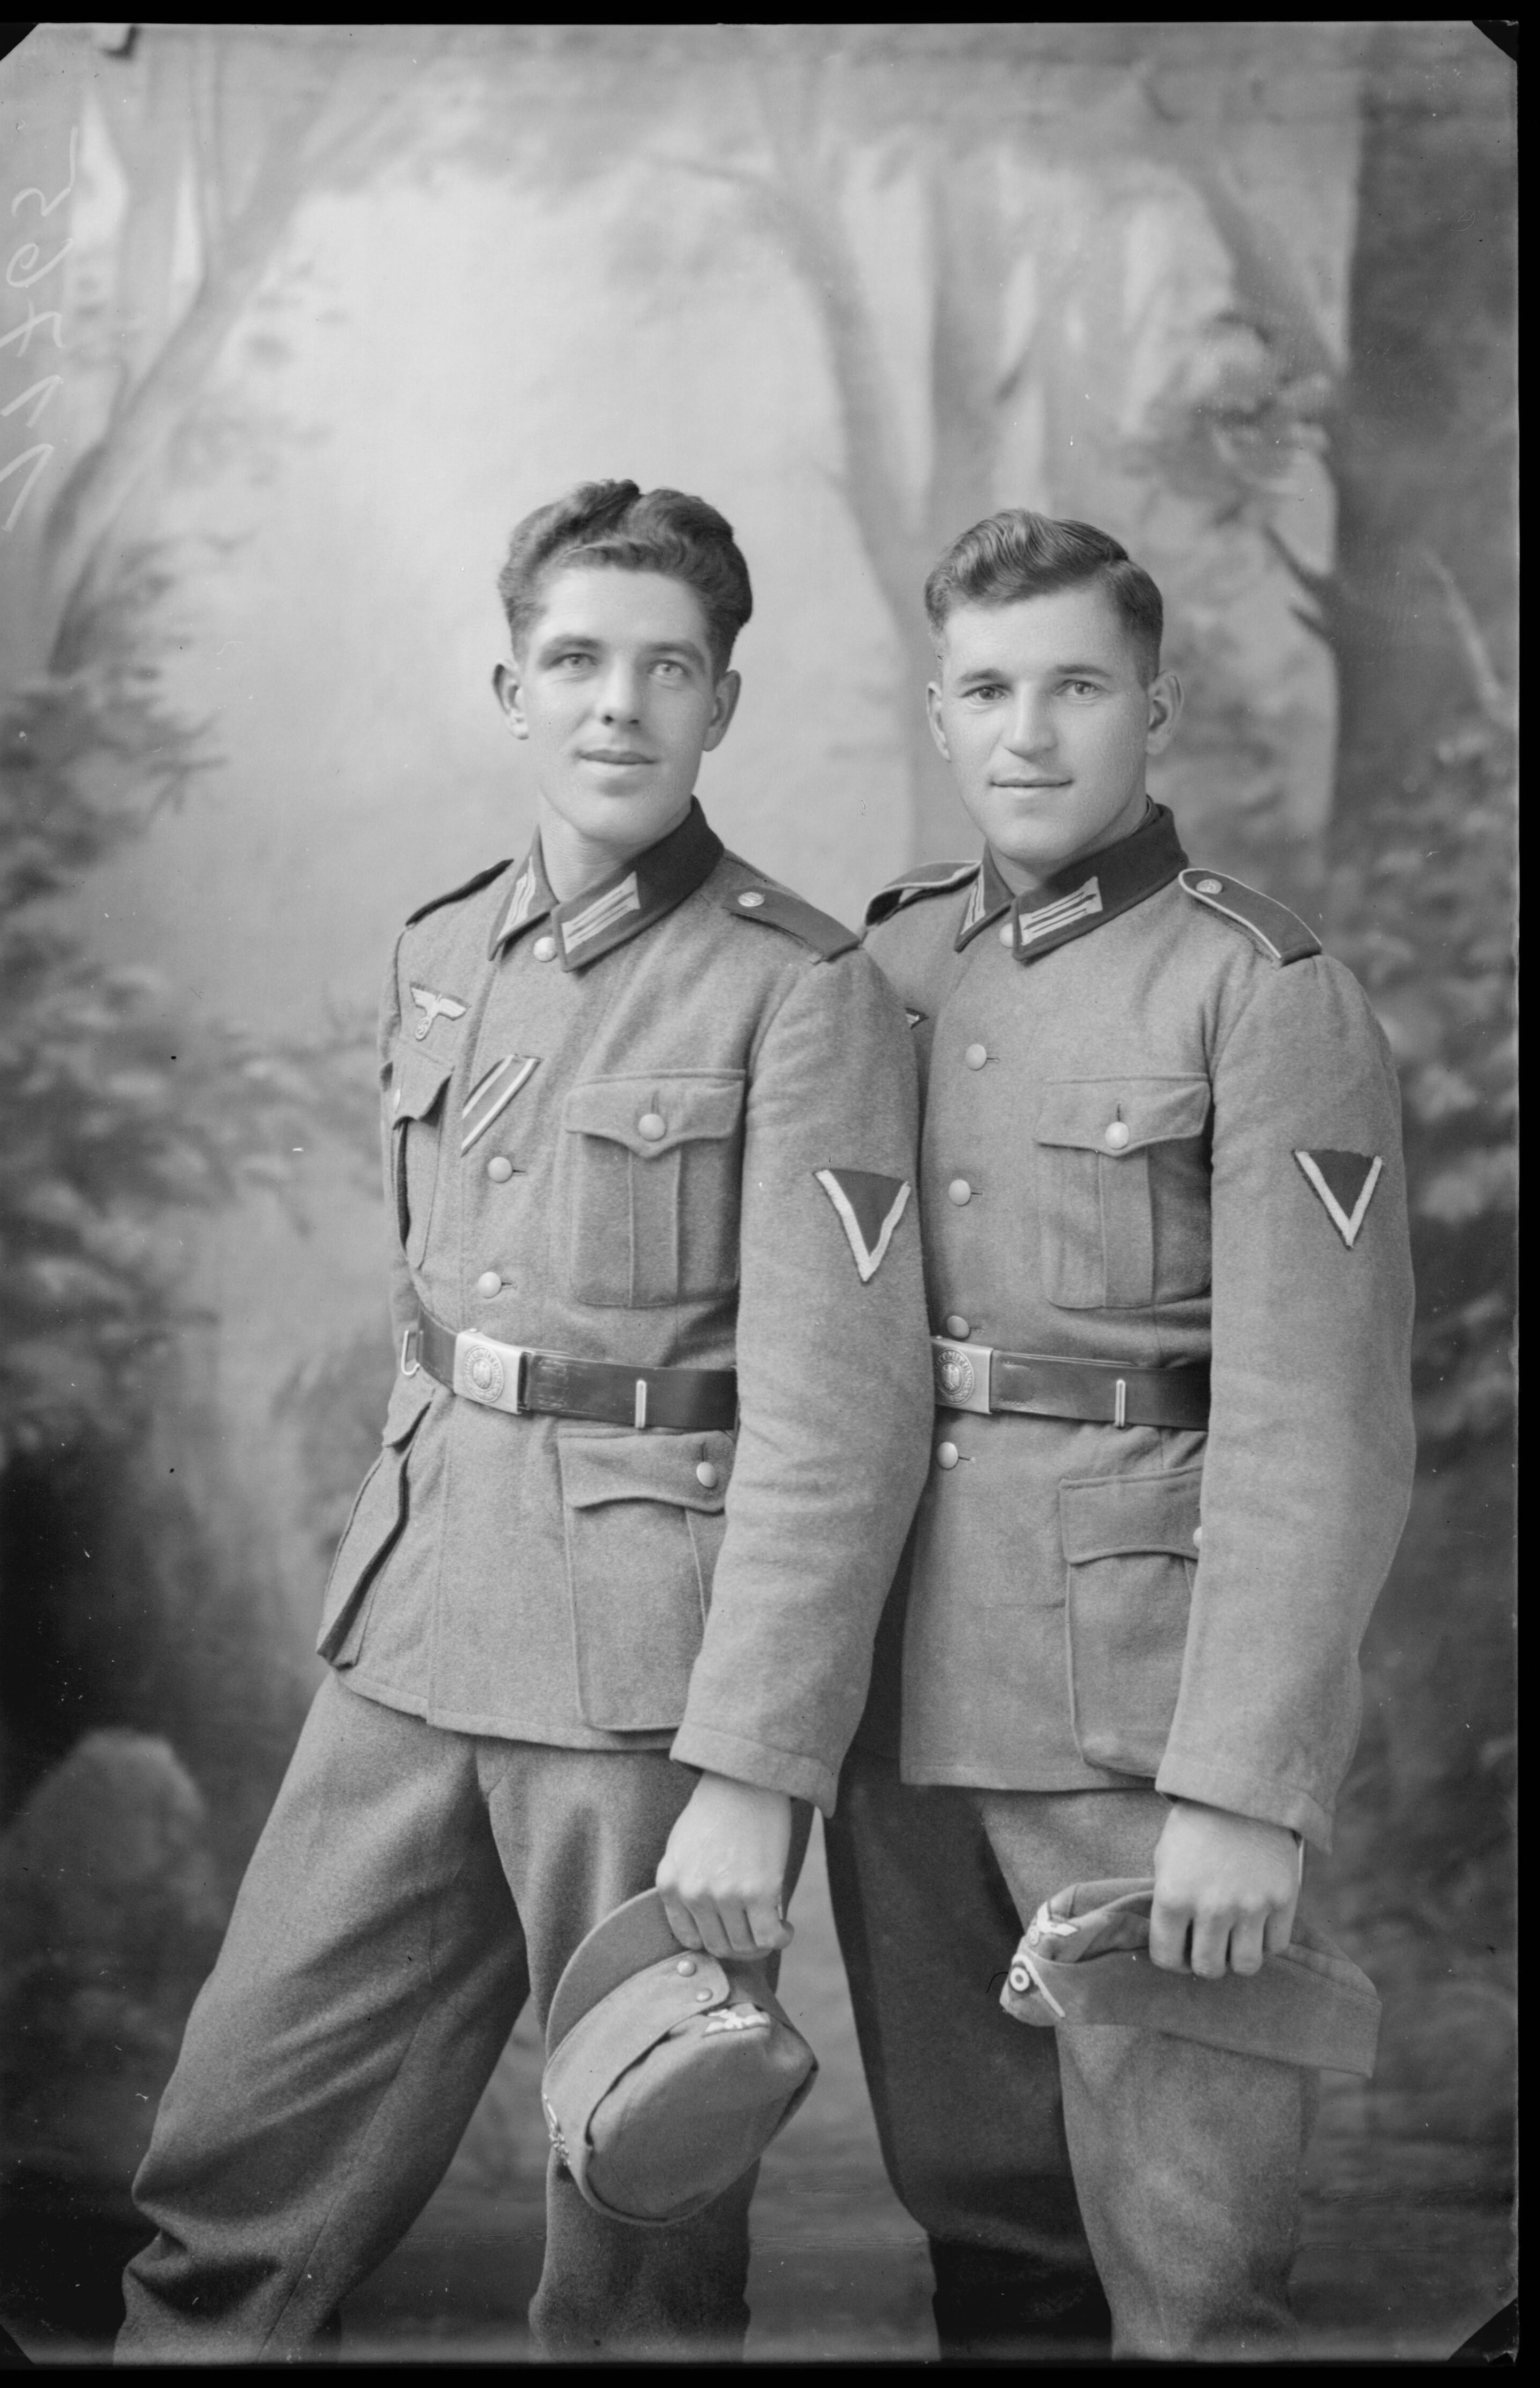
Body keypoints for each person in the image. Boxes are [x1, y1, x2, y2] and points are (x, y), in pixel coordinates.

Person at [116, 480, 932, 2363]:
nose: (616, 705)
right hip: (413, 1631)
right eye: (575, 661)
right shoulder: (442, 951)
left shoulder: (799, 992)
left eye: (668, 669)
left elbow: (841, 1422)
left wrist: (759, 1766)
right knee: (238, 2166)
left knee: (641, 2212)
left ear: (723, 703)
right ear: (510, 689)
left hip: (643, 1679)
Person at [825, 509, 1416, 2362]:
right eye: (989, 689)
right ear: (940, 711)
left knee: (1191, 2273)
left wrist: (1247, 1783)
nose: (1029, 732)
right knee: (986, 2241)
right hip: (900, 1698)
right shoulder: (890, 963)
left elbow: (1320, 1426)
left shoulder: (1260, 991)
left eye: (1077, 686)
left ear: (1153, 712)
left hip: (1140, 1718)